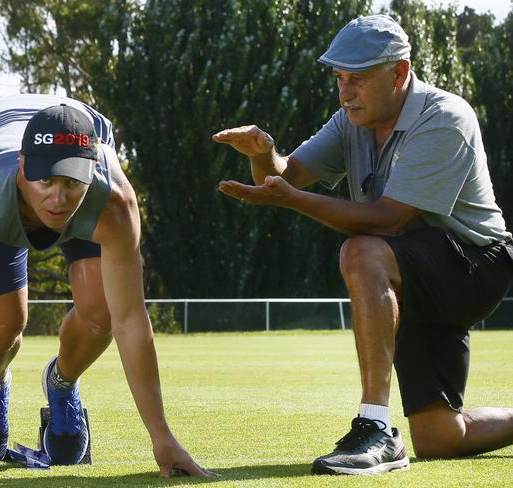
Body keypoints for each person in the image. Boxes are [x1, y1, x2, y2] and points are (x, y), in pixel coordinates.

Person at [214, 14, 513, 476]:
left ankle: (375, 427)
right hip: (412, 271)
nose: (345, 91)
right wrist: (263, 155)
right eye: (339, 78)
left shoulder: (446, 117)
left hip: (475, 267)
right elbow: (285, 176)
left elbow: (390, 220)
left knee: (362, 250)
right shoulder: (350, 120)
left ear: (400, 72)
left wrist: (292, 199)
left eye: (358, 78)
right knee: (439, 438)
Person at [0, 94, 214, 484]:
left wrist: (163, 438)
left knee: (101, 317)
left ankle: (61, 383)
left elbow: (130, 320)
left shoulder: (114, 202)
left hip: (82, 141)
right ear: (23, 165)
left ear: (92, 171)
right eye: (46, 180)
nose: (57, 199)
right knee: (4, 327)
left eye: (72, 182)